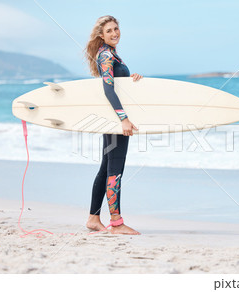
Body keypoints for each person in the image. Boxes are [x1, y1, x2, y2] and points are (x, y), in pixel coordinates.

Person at [84, 15, 142, 235]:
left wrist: (132, 79)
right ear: (101, 35)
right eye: (109, 31)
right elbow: (108, 90)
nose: (114, 33)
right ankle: (116, 223)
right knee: (115, 170)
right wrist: (123, 119)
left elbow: (118, 85)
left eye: (116, 29)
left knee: (106, 168)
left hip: (111, 120)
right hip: (116, 121)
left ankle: (93, 218)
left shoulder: (109, 53)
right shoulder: (107, 55)